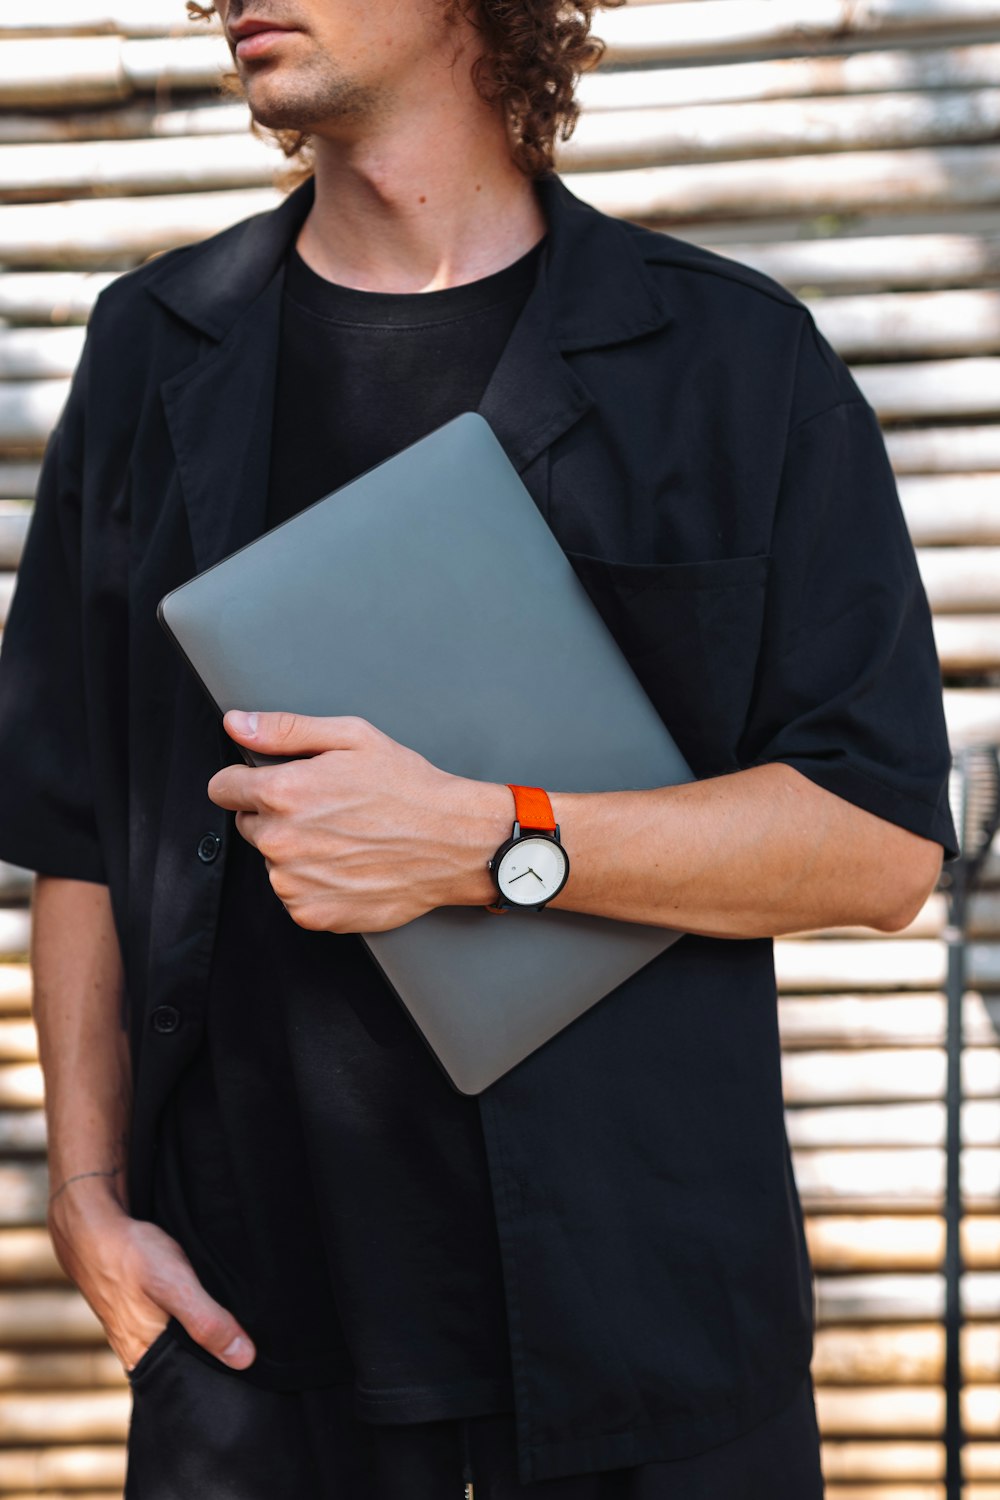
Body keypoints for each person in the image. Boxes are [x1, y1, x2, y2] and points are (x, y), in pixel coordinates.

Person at [0, 0, 958, 1495]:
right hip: (250, 1356)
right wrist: (87, 1196)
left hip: (649, 1347)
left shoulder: (732, 359)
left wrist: (498, 843)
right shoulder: (152, 346)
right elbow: (74, 825)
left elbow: (884, 838)